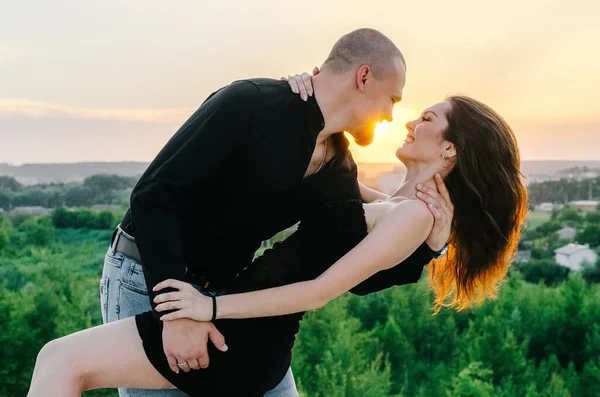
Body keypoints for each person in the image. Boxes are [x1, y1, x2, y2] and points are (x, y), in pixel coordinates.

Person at [27, 89, 526, 395]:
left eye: (429, 119)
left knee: (59, 361)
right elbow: (328, 178)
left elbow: (319, 290)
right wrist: (300, 96)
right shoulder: (400, 205)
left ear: (449, 149)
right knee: (62, 361)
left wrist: (209, 309)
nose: (413, 120)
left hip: (241, 338)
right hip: (250, 338)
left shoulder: (414, 214)